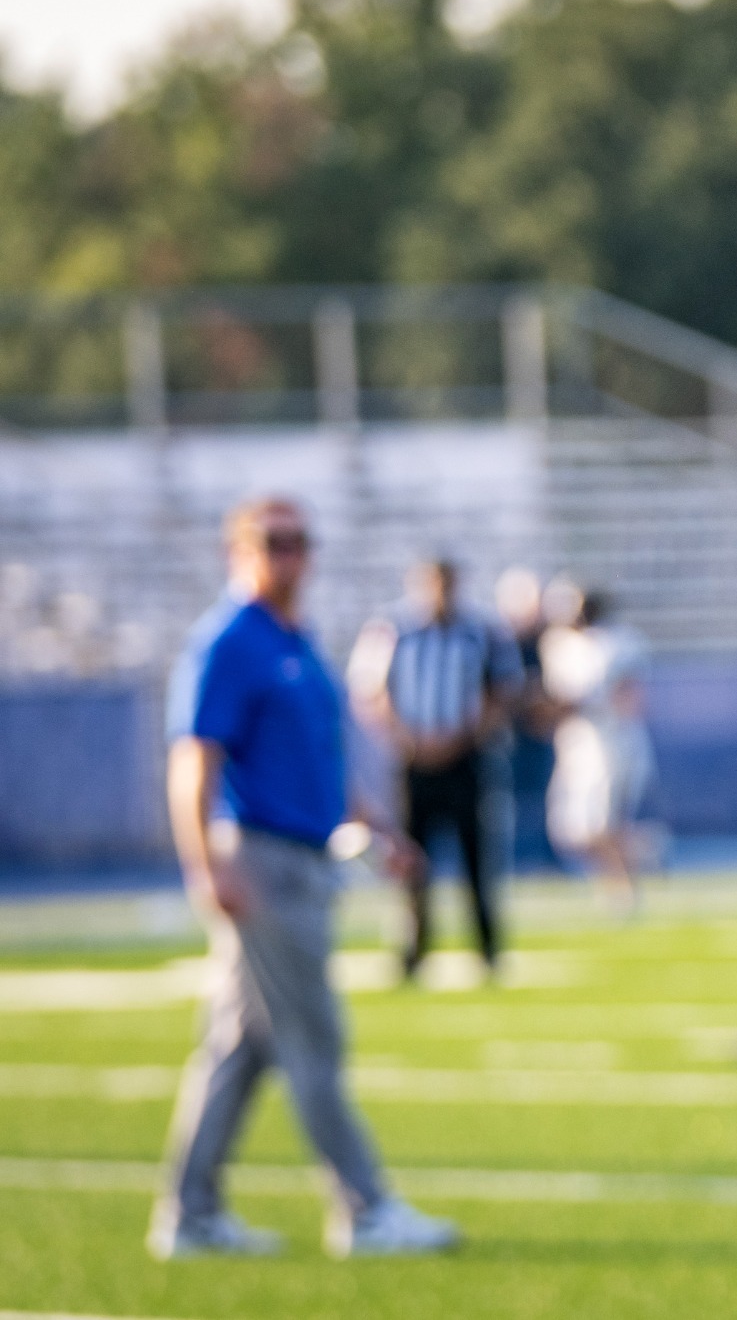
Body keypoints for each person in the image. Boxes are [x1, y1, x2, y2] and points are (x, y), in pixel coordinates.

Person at [152, 496, 460, 1260]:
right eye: (274, 542)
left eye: (300, 542)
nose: (291, 557)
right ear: (241, 550)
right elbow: (194, 759)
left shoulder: (292, 637)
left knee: (238, 1046)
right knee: (313, 1039)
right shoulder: (227, 640)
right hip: (261, 861)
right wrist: (205, 864)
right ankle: (364, 1209)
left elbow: (321, 762)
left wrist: (380, 829)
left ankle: (189, 1214)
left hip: (303, 856)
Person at [371, 557, 523, 980]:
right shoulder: (393, 630)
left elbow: (502, 692)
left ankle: (488, 949)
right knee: (411, 858)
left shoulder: (481, 631)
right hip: (412, 760)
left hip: (466, 757)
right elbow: (372, 692)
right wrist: (408, 739)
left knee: (478, 856)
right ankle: (414, 949)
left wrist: (462, 737)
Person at [542, 587, 656, 913]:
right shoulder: (559, 645)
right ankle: (645, 851)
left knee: (601, 824)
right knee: (570, 831)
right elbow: (555, 703)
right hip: (577, 746)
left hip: (612, 745)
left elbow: (629, 698)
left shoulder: (619, 642)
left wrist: (581, 705)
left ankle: (620, 890)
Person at [495, 566, 564, 872]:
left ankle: (547, 859)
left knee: (546, 798)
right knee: (504, 801)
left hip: (540, 734)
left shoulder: (548, 640)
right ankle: (511, 861)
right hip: (508, 736)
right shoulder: (500, 641)